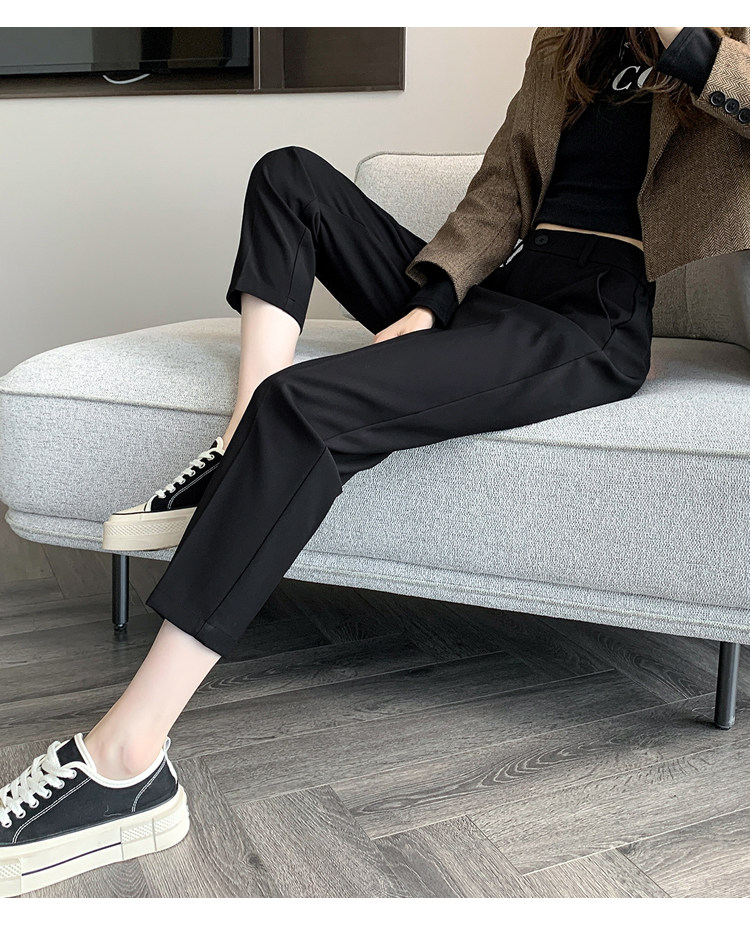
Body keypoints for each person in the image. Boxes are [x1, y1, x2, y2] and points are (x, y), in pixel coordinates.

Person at [1, 26, 748, 897]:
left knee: (305, 405)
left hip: (589, 323)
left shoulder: (721, 43)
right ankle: (242, 441)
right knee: (289, 175)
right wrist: (432, 302)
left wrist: (684, 38)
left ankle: (127, 761)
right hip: (500, 288)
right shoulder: (566, 43)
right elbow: (502, 188)